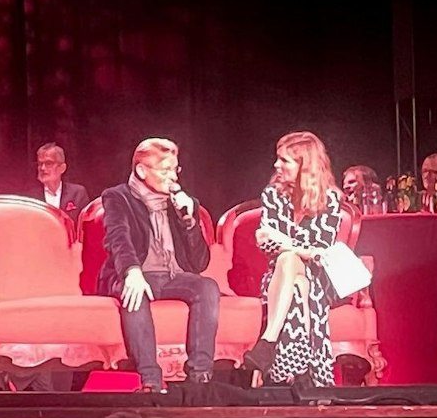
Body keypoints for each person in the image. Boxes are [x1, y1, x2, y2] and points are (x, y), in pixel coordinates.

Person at [97, 138, 218, 392]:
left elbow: (199, 263)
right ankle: (149, 379)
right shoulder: (117, 197)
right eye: (165, 171)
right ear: (142, 171)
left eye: (175, 169)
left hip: (173, 276)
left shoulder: (182, 202)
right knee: (135, 293)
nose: (172, 177)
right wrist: (132, 272)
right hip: (136, 273)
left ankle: (200, 376)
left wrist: (189, 222)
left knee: (207, 287)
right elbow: (119, 239)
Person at [241, 131, 344, 389]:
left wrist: (286, 242)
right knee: (292, 275)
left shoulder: (329, 200)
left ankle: (268, 343)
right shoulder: (273, 196)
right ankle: (307, 376)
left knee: (290, 260)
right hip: (279, 278)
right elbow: (268, 247)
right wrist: (301, 249)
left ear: (304, 166)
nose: (277, 165)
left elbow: (321, 250)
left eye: (284, 160)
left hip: (321, 279)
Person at [31, 142, 90, 218]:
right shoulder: (31, 197)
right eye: (40, 164)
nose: (42, 168)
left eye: (48, 163)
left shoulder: (77, 193)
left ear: (62, 168)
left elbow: (84, 225)